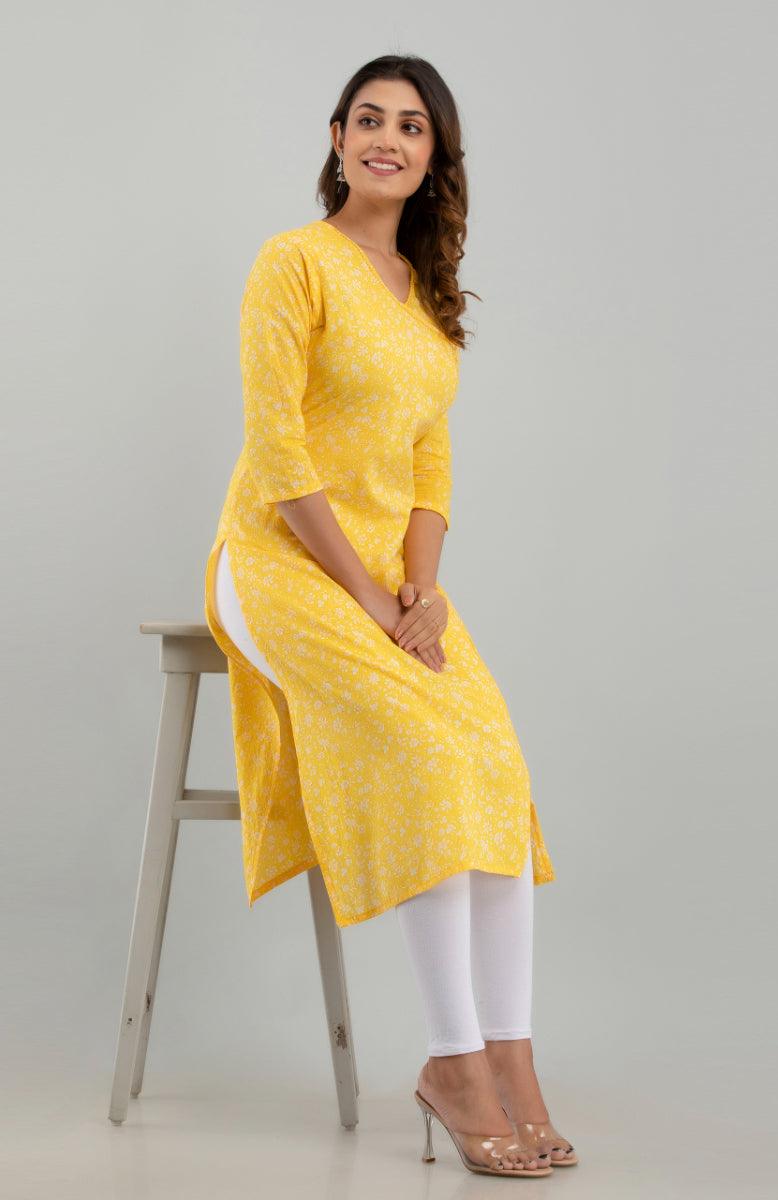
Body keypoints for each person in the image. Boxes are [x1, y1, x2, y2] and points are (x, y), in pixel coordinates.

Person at [203, 54, 575, 1175]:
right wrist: (365, 600)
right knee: (423, 752)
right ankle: (452, 1064)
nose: (386, 139)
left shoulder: (429, 299)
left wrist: (422, 591)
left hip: (387, 580)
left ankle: (512, 1062)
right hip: (277, 561)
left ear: (433, 156)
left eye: (411, 127)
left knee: (494, 767)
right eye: (368, 120)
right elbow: (278, 451)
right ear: (336, 138)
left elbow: (429, 468)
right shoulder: (294, 263)